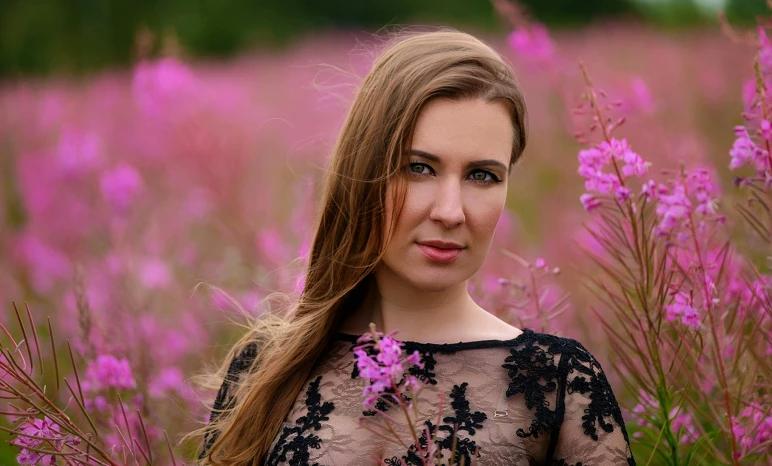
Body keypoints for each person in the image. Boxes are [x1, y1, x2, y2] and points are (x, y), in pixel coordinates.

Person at [196, 30, 635, 465]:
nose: (450, 211)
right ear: (364, 172)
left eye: (482, 176)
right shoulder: (263, 374)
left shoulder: (558, 384)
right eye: (419, 168)